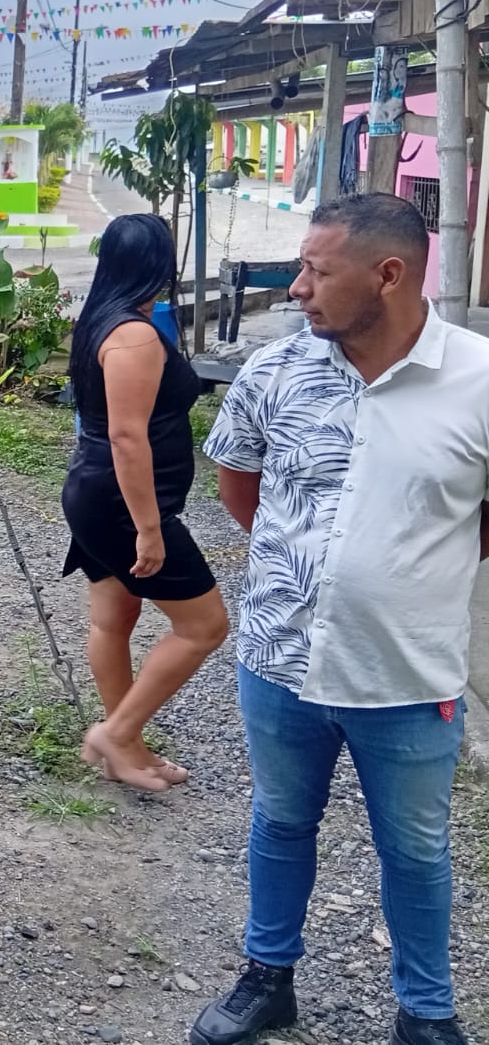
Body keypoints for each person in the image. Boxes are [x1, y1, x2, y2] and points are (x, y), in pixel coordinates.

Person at [191, 193, 488, 1045]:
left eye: (318, 272)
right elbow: (241, 489)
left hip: (407, 673)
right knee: (281, 822)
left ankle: (426, 1014)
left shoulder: (477, 379)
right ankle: (267, 977)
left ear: (388, 275)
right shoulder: (275, 373)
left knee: (417, 849)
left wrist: (401, 569)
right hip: (279, 659)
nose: (298, 288)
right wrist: (317, 566)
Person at [62, 213, 231, 792]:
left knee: (113, 619)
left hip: (94, 492)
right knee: (204, 625)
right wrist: (149, 528)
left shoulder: (99, 320)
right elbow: (126, 437)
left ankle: (127, 747)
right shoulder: (133, 336)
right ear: (160, 266)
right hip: (121, 503)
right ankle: (117, 733)